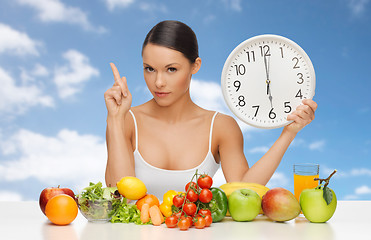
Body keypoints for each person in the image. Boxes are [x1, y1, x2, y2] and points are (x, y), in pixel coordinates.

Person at [104, 20, 317, 198]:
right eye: (149, 69)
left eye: (171, 69)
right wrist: (114, 119)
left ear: (195, 66)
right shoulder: (126, 120)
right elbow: (118, 194)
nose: (158, 82)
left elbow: (243, 189)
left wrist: (289, 133)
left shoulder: (221, 126)